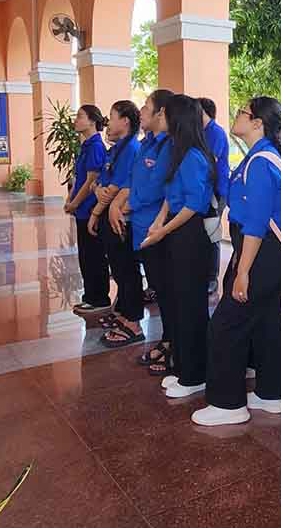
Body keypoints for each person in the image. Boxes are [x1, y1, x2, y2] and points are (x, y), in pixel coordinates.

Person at [193, 96, 281, 426]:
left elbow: (256, 223)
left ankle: (227, 403)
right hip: (263, 252)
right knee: (266, 321)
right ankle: (269, 394)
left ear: (257, 123)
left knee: (226, 324)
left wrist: (243, 271)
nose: (235, 115)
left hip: (262, 253)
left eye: (242, 112)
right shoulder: (261, 157)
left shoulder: (262, 162)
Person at [140, 94, 216, 398]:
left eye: (166, 114)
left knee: (191, 307)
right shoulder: (177, 152)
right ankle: (183, 368)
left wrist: (163, 231)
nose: (161, 118)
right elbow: (172, 197)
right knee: (178, 304)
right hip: (175, 231)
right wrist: (158, 223)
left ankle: (196, 374)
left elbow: (194, 205)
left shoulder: (195, 156)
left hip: (189, 235)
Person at [114, 90, 176, 376]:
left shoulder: (169, 146)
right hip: (139, 226)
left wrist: (129, 206)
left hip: (156, 229)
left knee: (166, 289)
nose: (142, 110)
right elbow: (133, 179)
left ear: (161, 113)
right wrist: (122, 203)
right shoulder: (147, 144)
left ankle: (172, 343)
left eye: (147, 106)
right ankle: (168, 340)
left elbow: (157, 187)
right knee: (158, 286)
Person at [96, 101, 146, 348]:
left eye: (112, 116)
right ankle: (123, 312)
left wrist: (98, 210)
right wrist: (100, 194)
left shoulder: (132, 149)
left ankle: (133, 322)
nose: (108, 122)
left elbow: (118, 187)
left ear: (125, 121)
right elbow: (102, 183)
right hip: (110, 212)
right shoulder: (117, 148)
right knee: (119, 268)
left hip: (122, 217)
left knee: (127, 269)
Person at [66, 105, 111, 318]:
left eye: (80, 116)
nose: (76, 120)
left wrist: (75, 202)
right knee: (86, 254)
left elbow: (92, 179)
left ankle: (99, 298)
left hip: (90, 207)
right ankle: (90, 296)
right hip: (82, 208)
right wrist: (71, 198)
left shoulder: (95, 147)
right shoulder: (86, 145)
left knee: (94, 256)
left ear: (92, 121)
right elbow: (79, 177)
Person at [201, 97, 230, 296]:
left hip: (216, 190)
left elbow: (211, 160)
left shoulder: (216, 132)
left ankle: (212, 277)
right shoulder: (201, 132)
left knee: (212, 233)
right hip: (204, 190)